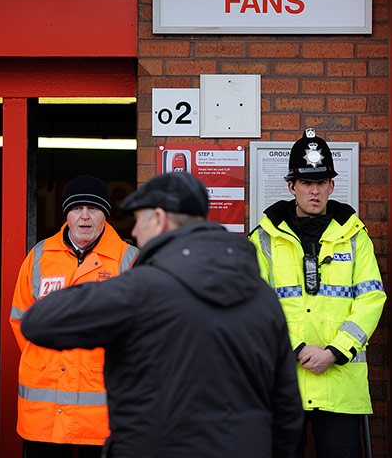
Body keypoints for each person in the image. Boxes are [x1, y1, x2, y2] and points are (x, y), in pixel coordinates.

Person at [21, 171, 304, 458]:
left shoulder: (141, 288)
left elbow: (38, 322)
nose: (133, 233)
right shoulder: (263, 297)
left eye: (139, 220)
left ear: (158, 218)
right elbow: (287, 407)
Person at [248, 128, 386, 458]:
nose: (314, 191)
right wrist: (295, 347)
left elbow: (371, 298)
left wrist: (335, 352)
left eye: (321, 182)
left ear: (331, 186)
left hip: (339, 384)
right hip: (283, 386)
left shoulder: (355, 237)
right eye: (307, 183)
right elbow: (253, 305)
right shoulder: (263, 239)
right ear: (292, 186)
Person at [10, 175, 139, 458]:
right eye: (76, 208)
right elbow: (20, 319)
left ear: (105, 215)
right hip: (45, 407)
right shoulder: (39, 256)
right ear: (65, 213)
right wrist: (46, 360)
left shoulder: (129, 260)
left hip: (102, 414)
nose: (84, 217)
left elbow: (143, 331)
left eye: (93, 209)